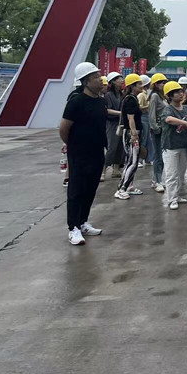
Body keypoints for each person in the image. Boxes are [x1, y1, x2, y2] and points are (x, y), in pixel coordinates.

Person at [59, 62, 107, 245]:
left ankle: (83, 222)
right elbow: (64, 128)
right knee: (76, 190)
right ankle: (73, 228)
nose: (100, 79)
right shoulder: (76, 101)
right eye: (96, 77)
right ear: (86, 82)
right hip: (79, 154)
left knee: (90, 189)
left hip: (97, 152)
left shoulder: (100, 101)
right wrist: (72, 145)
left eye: (99, 75)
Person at [161, 80, 187, 210]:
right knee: (171, 174)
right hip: (170, 146)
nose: (180, 94)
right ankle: (172, 199)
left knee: (181, 173)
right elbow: (168, 119)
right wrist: (186, 123)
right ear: (170, 96)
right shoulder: (167, 109)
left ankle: (178, 195)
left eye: (181, 91)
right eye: (176, 92)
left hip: (184, 145)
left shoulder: (186, 109)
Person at [115, 73, 145, 200]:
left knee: (132, 160)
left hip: (132, 132)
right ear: (132, 86)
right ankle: (121, 189)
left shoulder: (131, 98)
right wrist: (134, 134)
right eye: (139, 84)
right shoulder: (131, 100)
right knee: (132, 162)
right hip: (131, 133)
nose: (141, 86)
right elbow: (130, 118)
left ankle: (129, 186)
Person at [147, 73, 168, 193]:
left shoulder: (162, 96)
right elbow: (152, 114)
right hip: (157, 130)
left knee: (162, 156)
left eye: (164, 82)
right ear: (155, 84)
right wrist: (155, 128)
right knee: (158, 156)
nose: (163, 84)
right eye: (161, 82)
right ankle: (157, 181)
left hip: (164, 129)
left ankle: (157, 179)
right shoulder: (154, 96)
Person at [103, 72, 125, 178]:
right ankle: (103, 170)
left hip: (120, 123)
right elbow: (107, 110)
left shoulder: (121, 94)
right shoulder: (108, 95)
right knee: (112, 147)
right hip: (112, 123)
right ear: (113, 82)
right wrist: (120, 113)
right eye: (119, 79)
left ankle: (116, 169)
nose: (122, 80)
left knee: (120, 147)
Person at [137, 75, 152, 167]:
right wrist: (148, 107)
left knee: (147, 139)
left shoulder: (145, 94)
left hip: (146, 117)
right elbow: (139, 107)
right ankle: (139, 159)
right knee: (143, 139)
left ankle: (147, 158)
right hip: (143, 117)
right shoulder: (142, 95)